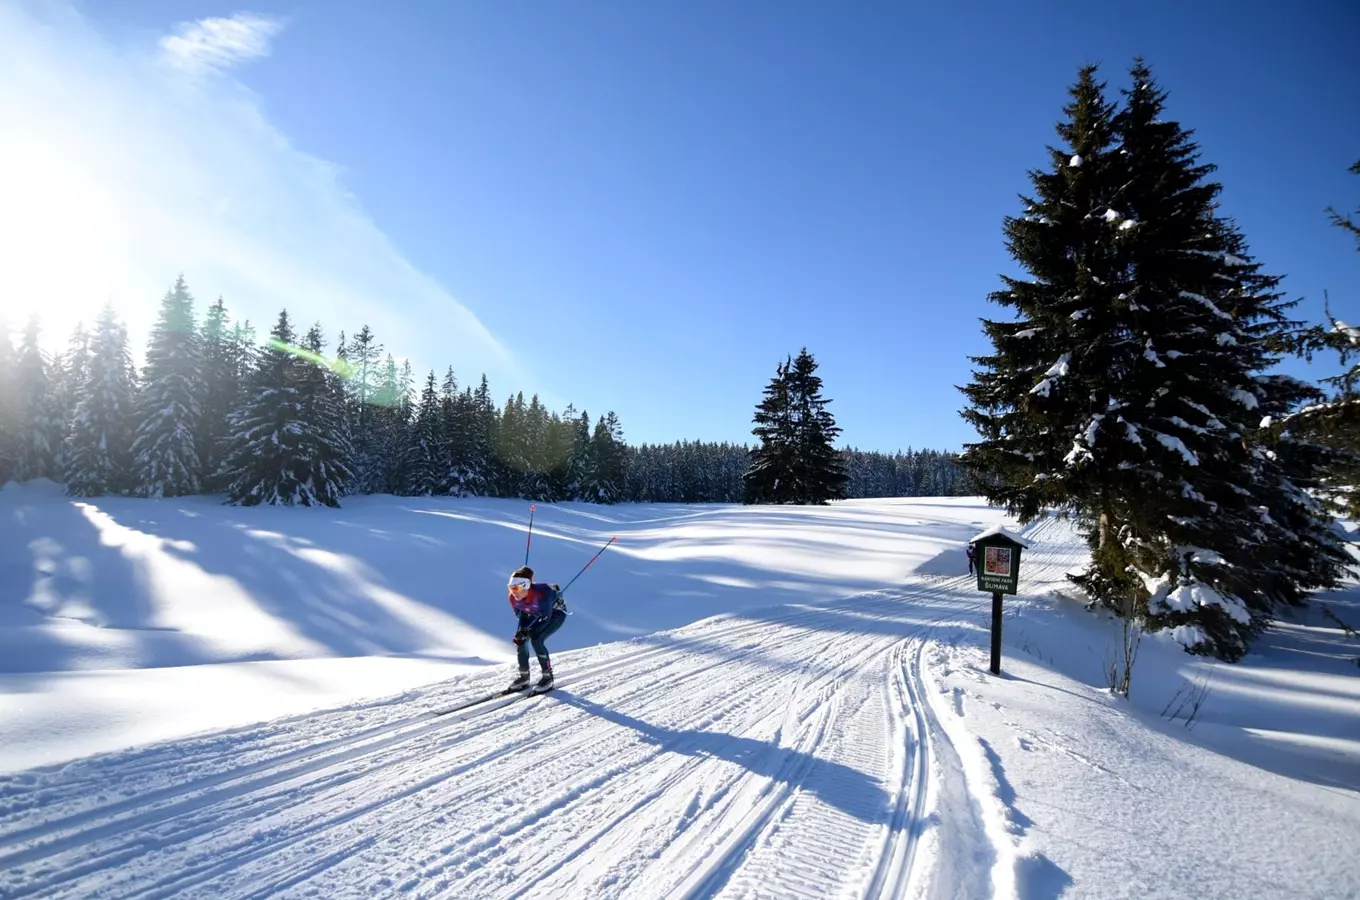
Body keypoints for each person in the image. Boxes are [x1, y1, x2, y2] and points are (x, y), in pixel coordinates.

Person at [506, 565, 567, 691]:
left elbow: (546, 618)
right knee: (521, 640)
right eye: (510, 587)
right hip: (534, 614)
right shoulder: (513, 597)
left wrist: (530, 630)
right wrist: (521, 633)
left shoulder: (542, 596)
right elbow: (522, 615)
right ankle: (524, 677)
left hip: (554, 614)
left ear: (525, 586)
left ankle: (548, 677)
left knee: (536, 639)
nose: (513, 591)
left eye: (516, 588)